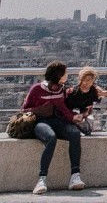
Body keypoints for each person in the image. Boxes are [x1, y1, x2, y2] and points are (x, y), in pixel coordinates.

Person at [25, 60, 87, 194]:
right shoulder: (37, 89)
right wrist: (41, 109)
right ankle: (42, 179)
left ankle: (75, 176)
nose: (67, 76)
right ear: (58, 75)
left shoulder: (61, 90)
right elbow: (24, 110)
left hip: (58, 121)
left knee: (75, 134)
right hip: (40, 122)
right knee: (51, 137)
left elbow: (64, 109)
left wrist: (75, 117)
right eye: (65, 73)